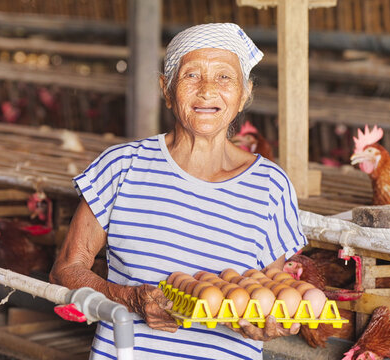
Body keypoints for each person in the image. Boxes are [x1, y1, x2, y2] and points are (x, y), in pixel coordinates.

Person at [50, 23, 308, 360]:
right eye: (191, 76)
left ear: (244, 94)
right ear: (167, 89)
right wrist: (127, 298)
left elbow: (269, 291)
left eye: (224, 78)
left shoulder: (271, 185)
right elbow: (66, 269)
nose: (206, 91)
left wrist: (272, 321)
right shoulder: (121, 166)